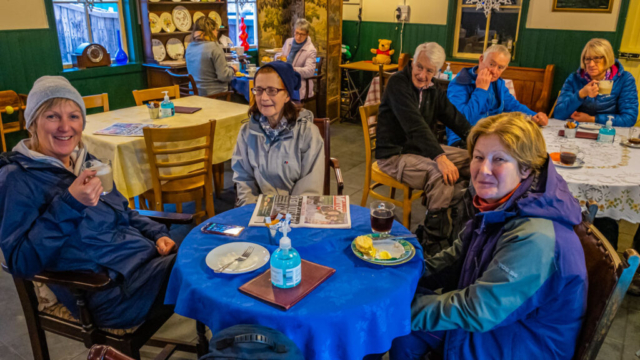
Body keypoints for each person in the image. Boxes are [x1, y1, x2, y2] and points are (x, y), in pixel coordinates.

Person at [382, 112, 587, 359]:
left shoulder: (536, 235)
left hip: (524, 343)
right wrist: (394, 278)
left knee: (402, 325)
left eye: (499, 159)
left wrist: (393, 310)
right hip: (503, 323)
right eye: (478, 157)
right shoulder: (504, 204)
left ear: (525, 168)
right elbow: (455, 257)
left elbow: (479, 309)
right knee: (407, 307)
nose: (483, 170)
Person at [0, 76, 177, 329]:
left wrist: (157, 233)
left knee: (209, 257)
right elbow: (20, 262)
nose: (65, 127)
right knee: (205, 273)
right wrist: (71, 203)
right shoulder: (17, 178)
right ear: (32, 124)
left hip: (143, 264)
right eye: (52, 116)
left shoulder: (84, 160)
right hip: (108, 292)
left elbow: (122, 210)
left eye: (73, 116)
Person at [375, 42, 472, 244]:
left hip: (420, 150)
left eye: (429, 71)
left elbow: (454, 117)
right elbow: (414, 125)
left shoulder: (433, 88)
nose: (422, 75)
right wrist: (440, 157)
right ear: (413, 62)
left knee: (475, 161)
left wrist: (478, 141)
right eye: (419, 67)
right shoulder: (397, 83)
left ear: (436, 71)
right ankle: (432, 243)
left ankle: (458, 225)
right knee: (440, 175)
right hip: (395, 153)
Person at [232, 62, 324, 206]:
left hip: (296, 214)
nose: (264, 97)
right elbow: (243, 179)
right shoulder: (247, 132)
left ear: (287, 95)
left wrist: (286, 216)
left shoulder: (308, 133)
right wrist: (252, 210)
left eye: (272, 90)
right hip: (259, 211)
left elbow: (310, 188)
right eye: (259, 90)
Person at [447, 45, 549, 147]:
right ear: (481, 59)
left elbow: (513, 106)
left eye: (500, 67)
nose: (494, 71)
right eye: (492, 64)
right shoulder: (459, 83)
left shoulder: (498, 83)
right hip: (464, 140)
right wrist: (481, 90)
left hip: (491, 136)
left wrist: (535, 116)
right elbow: (460, 121)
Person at [554, 38, 638, 127]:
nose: (591, 64)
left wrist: (592, 119)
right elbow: (559, 114)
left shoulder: (624, 79)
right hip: (577, 129)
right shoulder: (574, 78)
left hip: (608, 132)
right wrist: (581, 94)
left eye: (597, 58)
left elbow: (629, 118)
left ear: (607, 58)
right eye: (587, 59)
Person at [185, 17, 237, 96]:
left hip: (194, 97)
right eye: (216, 30)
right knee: (241, 98)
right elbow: (223, 76)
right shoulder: (215, 47)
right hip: (214, 96)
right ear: (211, 31)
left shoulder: (189, 47)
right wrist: (233, 69)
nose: (217, 33)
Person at [275, 19, 317, 100]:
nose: (298, 37)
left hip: (299, 83)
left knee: (280, 94)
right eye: (297, 33)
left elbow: (310, 71)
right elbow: (280, 54)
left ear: (307, 34)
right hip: (284, 78)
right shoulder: (288, 42)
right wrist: (278, 57)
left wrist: (293, 69)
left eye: (302, 34)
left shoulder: (310, 50)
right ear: (294, 31)